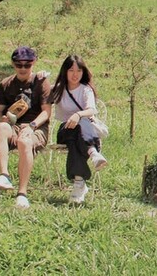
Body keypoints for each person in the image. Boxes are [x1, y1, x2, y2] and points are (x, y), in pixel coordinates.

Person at [0, 46, 52, 209]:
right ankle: (4, 175)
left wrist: (31, 126)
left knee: (24, 141)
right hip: (14, 125)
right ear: (13, 64)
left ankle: (22, 193)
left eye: (27, 65)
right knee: (1, 128)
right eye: (19, 65)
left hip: (36, 127)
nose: (23, 68)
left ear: (34, 63)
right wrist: (2, 118)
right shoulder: (6, 84)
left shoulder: (41, 82)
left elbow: (46, 112)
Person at [49, 54, 108, 204]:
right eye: (71, 70)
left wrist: (78, 115)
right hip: (65, 131)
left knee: (80, 130)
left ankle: (79, 183)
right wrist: (40, 78)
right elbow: (41, 97)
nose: (75, 74)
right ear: (65, 72)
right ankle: (93, 152)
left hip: (82, 133)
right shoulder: (58, 89)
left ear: (83, 72)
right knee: (76, 129)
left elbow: (91, 110)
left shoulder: (85, 90)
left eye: (79, 71)